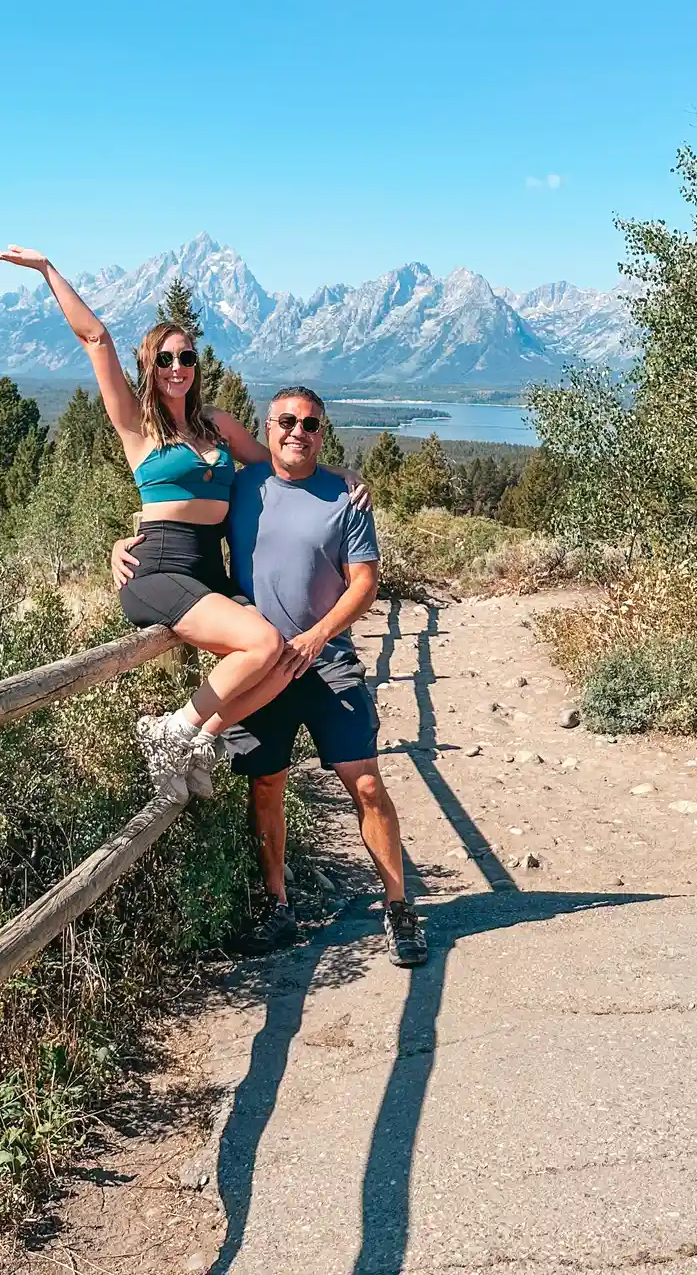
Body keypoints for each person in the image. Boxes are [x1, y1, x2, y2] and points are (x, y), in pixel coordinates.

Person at [0, 247, 367, 768]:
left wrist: (342, 474)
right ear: (148, 366)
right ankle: (173, 733)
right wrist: (49, 271)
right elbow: (95, 338)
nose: (176, 367)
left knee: (280, 659)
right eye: (164, 359)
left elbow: (281, 465)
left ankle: (198, 741)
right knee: (260, 643)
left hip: (208, 569)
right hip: (159, 566)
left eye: (186, 357)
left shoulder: (218, 426)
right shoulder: (138, 428)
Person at [113, 386, 428, 968]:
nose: (297, 432)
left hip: (327, 662)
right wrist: (123, 545)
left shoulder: (346, 496)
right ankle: (278, 905)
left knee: (363, 783)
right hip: (262, 669)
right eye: (286, 421)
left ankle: (399, 906)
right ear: (268, 425)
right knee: (266, 786)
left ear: (321, 432)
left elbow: (364, 583)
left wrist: (315, 637)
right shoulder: (243, 485)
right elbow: (178, 511)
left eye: (310, 424)